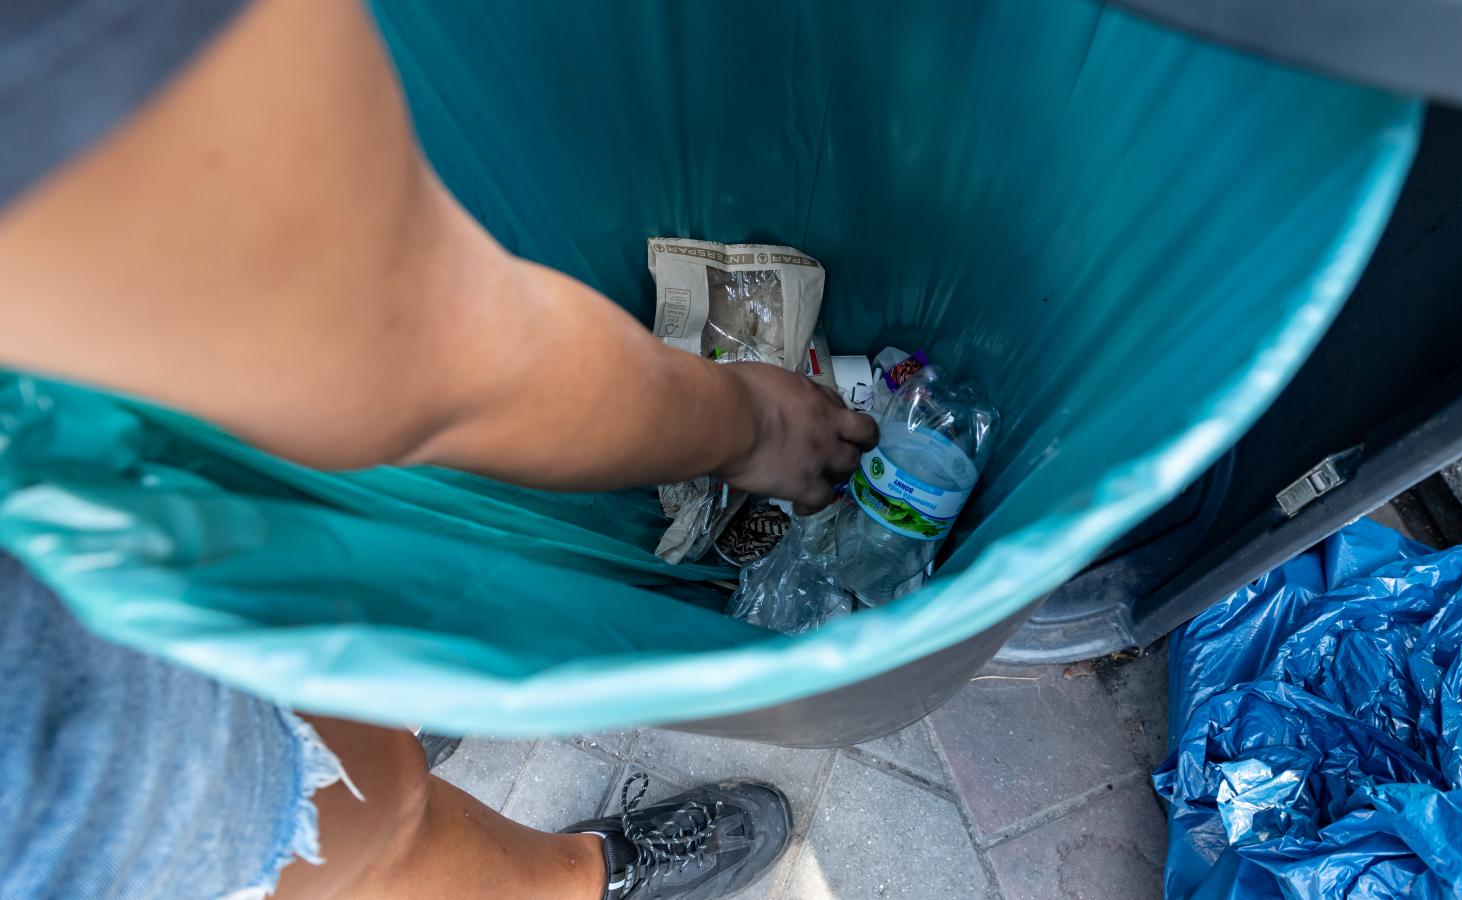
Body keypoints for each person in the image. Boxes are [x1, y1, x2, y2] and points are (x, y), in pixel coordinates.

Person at [0, 1, 876, 898]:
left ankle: (418, 731)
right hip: (90, 777)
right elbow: (409, 355)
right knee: (362, 825)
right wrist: (753, 427)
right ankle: (584, 875)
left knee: (351, 798)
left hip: (64, 734)